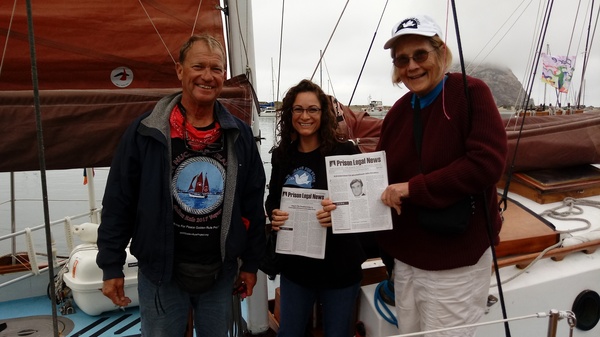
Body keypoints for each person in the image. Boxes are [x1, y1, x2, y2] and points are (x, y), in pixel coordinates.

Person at [96, 34, 266, 337]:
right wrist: (111, 265)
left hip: (220, 273)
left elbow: (253, 203)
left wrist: (251, 264)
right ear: (180, 71)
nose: (207, 76)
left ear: (224, 76)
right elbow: (119, 201)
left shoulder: (238, 136)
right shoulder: (145, 132)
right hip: (161, 274)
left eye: (216, 69)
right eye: (198, 66)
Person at [376, 15, 508, 337]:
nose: (412, 66)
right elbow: (378, 173)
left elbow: (486, 163)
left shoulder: (471, 93)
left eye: (420, 54)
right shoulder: (398, 111)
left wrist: (413, 189)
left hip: (454, 263)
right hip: (407, 259)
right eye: (402, 59)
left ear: (440, 52)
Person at [265, 79, 367, 337]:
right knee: (289, 333)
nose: (305, 116)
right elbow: (273, 198)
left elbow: (362, 204)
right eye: (298, 109)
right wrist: (274, 214)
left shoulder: (345, 152)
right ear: (290, 114)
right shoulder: (282, 155)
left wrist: (339, 214)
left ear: (324, 113)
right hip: (296, 269)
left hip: (340, 267)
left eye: (312, 109)